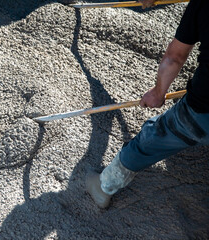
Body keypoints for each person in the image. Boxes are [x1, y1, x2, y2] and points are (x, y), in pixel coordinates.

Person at [86, 0, 209, 208]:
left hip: (203, 111)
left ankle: (104, 185)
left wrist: (158, 93)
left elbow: (174, 58)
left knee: (157, 133)